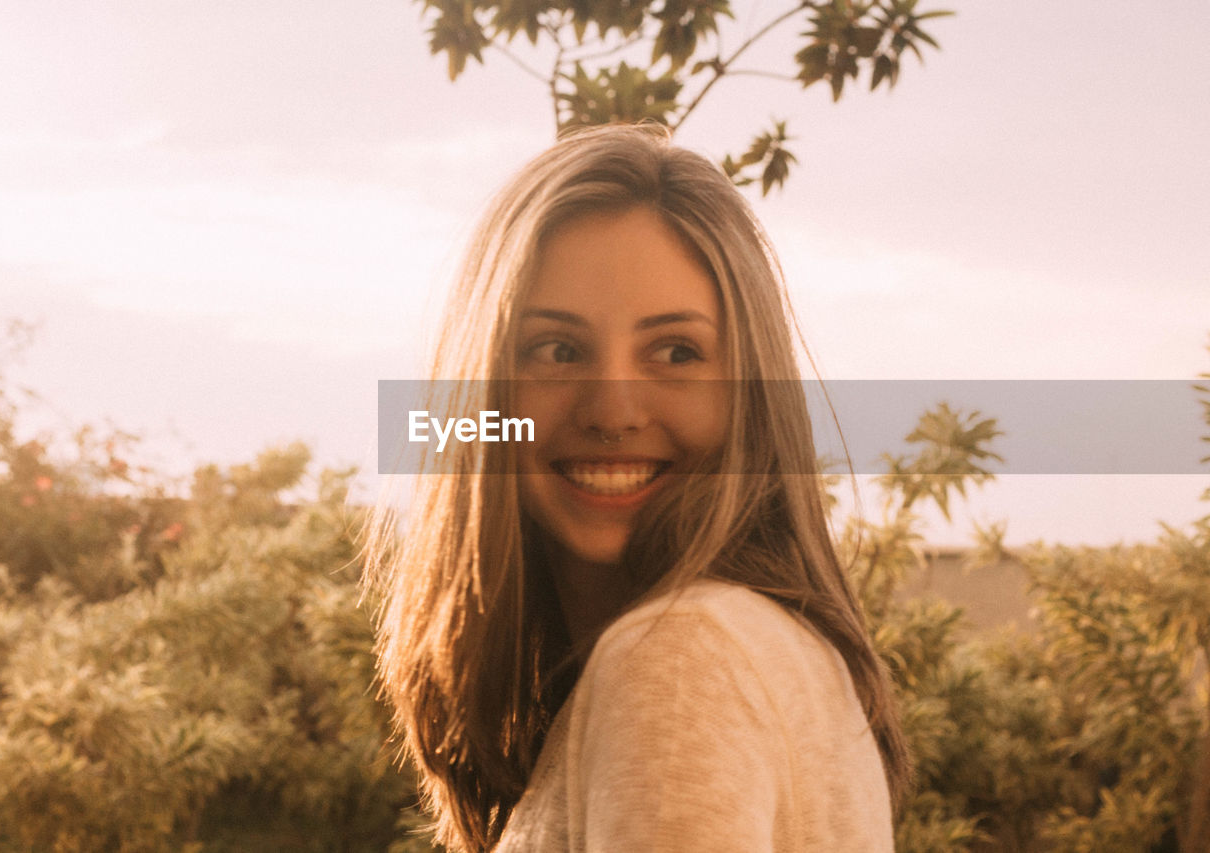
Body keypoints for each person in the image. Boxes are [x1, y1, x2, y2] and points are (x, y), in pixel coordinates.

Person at [365, 123, 910, 852]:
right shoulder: (747, 652)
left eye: (676, 351)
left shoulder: (680, 663)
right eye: (557, 350)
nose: (613, 412)